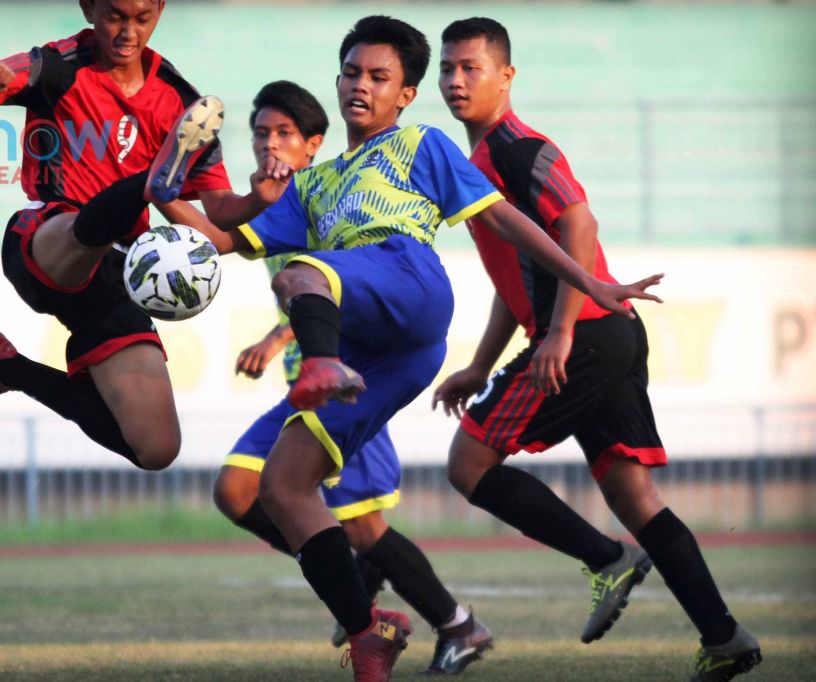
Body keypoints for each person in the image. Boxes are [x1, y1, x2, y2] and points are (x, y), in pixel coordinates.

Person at [210, 15, 662, 681]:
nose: (360, 85)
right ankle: (371, 633)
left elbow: (506, 217)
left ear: (404, 95)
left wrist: (585, 276)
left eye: (378, 77)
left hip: (412, 290)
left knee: (299, 276)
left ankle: (323, 369)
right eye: (352, 72)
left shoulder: (421, 144)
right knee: (279, 487)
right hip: (379, 353)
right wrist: (161, 189)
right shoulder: (311, 184)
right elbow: (220, 237)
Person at [432, 17, 761, 681]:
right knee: (635, 498)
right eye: (448, 68)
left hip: (583, 334)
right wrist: (478, 361)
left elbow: (580, 221)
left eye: (471, 67)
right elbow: (517, 278)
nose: (456, 80)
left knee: (468, 463)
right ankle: (724, 636)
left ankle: (605, 560)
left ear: (507, 76)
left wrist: (557, 332)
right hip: (599, 332)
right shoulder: (480, 163)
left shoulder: (519, 148)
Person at [213, 80, 492, 675]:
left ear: (313, 144)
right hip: (307, 379)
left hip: (350, 375)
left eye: (284, 133)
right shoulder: (283, 200)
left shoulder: (334, 191)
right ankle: (350, 584)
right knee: (237, 491)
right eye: (260, 132)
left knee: (365, 526)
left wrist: (277, 336)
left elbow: (339, 281)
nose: (270, 142)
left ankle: (453, 623)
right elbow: (305, 280)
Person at [0, 0, 289, 471]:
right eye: (115, 16)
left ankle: (4, 367)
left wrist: (256, 202)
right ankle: (150, 184)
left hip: (119, 274)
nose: (128, 31)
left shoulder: (177, 100)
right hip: (46, 243)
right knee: (92, 225)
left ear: (160, 11)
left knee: (156, 448)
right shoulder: (60, 65)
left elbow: (219, 220)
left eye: (142, 18)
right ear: (88, 8)